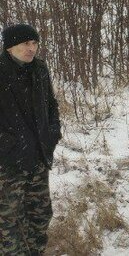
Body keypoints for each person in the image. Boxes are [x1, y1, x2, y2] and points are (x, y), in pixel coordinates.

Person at [0, 23, 61, 255]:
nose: (32, 48)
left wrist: (53, 131)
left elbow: (51, 105)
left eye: (35, 43)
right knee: (9, 221)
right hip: (7, 163)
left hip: (37, 156)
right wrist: (7, 144)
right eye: (26, 43)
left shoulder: (40, 69)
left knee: (40, 213)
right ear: (10, 47)